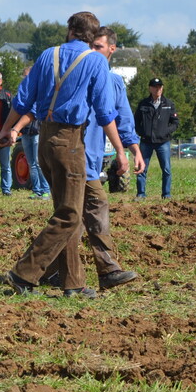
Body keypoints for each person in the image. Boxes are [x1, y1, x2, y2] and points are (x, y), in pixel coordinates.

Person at [0, 11, 127, 299]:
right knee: (70, 215)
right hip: (70, 143)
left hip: (44, 139)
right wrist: (120, 150)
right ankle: (24, 272)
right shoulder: (96, 62)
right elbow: (105, 113)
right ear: (93, 37)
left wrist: (7, 130)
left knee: (65, 212)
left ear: (69, 30)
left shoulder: (47, 56)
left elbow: (23, 99)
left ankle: (73, 283)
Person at [44, 28, 145, 291]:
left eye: (98, 47)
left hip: (91, 159)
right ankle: (94, 271)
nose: (93, 52)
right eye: (92, 46)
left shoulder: (113, 82)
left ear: (111, 49)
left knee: (79, 214)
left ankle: (52, 271)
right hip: (74, 156)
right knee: (79, 214)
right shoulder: (79, 77)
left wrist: (133, 150)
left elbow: (120, 117)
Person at [133, 78, 179, 199]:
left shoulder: (169, 104)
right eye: (154, 86)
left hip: (163, 143)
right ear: (150, 88)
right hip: (146, 142)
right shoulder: (143, 104)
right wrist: (142, 132)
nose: (157, 89)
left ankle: (166, 194)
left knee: (166, 169)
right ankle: (141, 194)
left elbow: (175, 123)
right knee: (141, 169)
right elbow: (136, 121)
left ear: (162, 88)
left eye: (159, 86)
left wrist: (165, 132)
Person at [15, 68, 49, 200]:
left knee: (39, 162)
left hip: (37, 132)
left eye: (28, 76)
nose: (26, 79)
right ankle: (36, 190)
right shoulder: (22, 95)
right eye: (24, 77)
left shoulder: (40, 93)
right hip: (25, 133)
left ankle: (45, 190)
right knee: (31, 163)